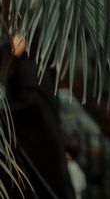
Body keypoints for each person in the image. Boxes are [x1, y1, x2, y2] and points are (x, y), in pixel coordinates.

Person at [1, 33, 76, 199]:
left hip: (37, 146)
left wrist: (6, 112)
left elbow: (32, 104)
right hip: (38, 146)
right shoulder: (30, 65)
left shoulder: (29, 67)